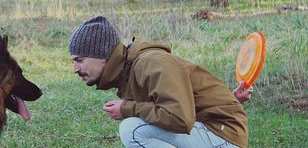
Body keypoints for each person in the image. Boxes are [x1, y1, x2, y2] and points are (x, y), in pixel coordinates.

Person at [68, 16, 249, 148]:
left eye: (80, 60)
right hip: (211, 130)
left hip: (224, 135)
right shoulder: (128, 71)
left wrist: (128, 108)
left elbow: (181, 119)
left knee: (132, 130)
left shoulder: (151, 63)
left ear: (102, 56)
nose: (75, 69)